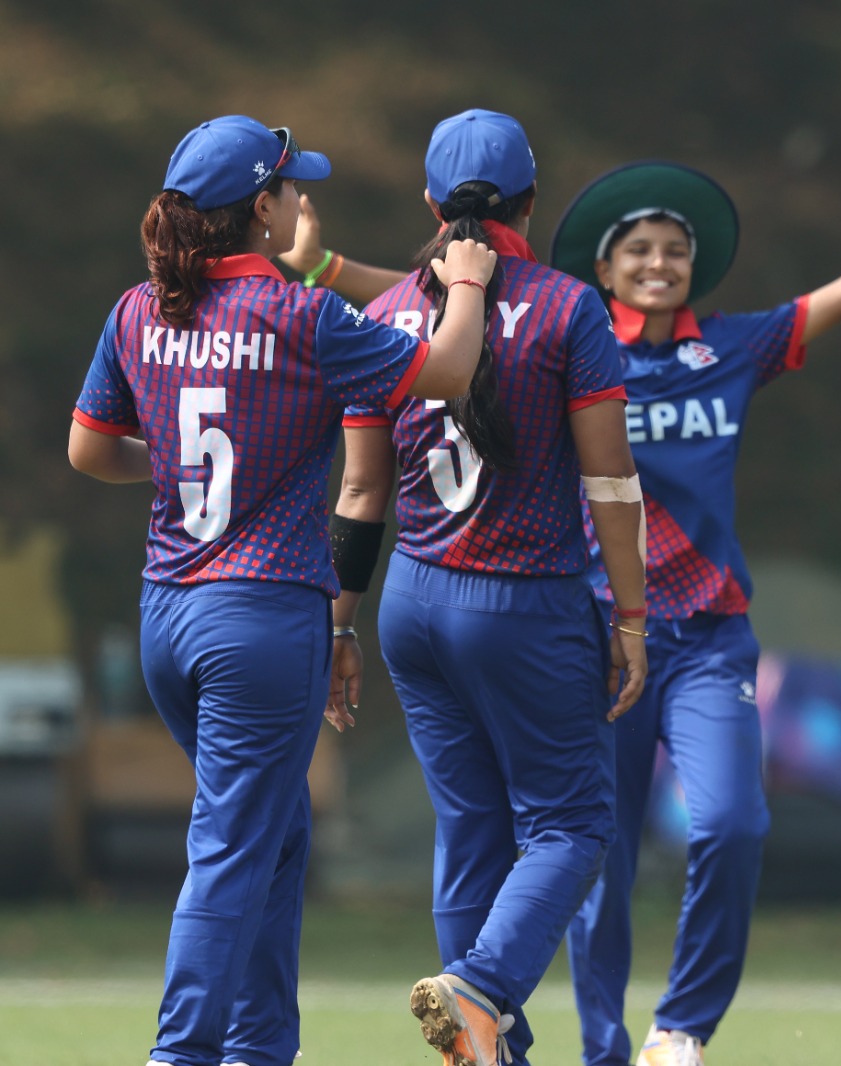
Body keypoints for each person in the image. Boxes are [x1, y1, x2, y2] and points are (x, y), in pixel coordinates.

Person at [67, 114, 496, 1066]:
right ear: (261, 207)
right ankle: (182, 1055)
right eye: (293, 186)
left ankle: (259, 1050)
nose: (304, 198)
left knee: (273, 832)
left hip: (168, 616)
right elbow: (454, 368)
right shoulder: (300, 313)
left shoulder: (140, 308)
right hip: (259, 617)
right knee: (230, 846)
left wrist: (183, 464)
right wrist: (464, 286)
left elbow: (90, 449)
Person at [538, 160, 841, 1066]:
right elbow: (425, 321)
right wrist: (320, 272)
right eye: (637, 249)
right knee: (598, 855)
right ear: (604, 270)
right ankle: (602, 1048)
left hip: (710, 639)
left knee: (731, 824)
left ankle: (680, 1029)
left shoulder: (736, 347)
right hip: (598, 640)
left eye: (674, 250)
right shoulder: (570, 351)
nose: (658, 262)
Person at [323, 109, 648, 1066]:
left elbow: (357, 491)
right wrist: (631, 616)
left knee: (469, 830)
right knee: (574, 823)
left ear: (430, 204)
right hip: (524, 602)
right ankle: (482, 987)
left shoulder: (383, 318)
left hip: (414, 605)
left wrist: (339, 626)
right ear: (532, 204)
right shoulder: (566, 308)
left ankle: (493, 1045)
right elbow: (610, 481)